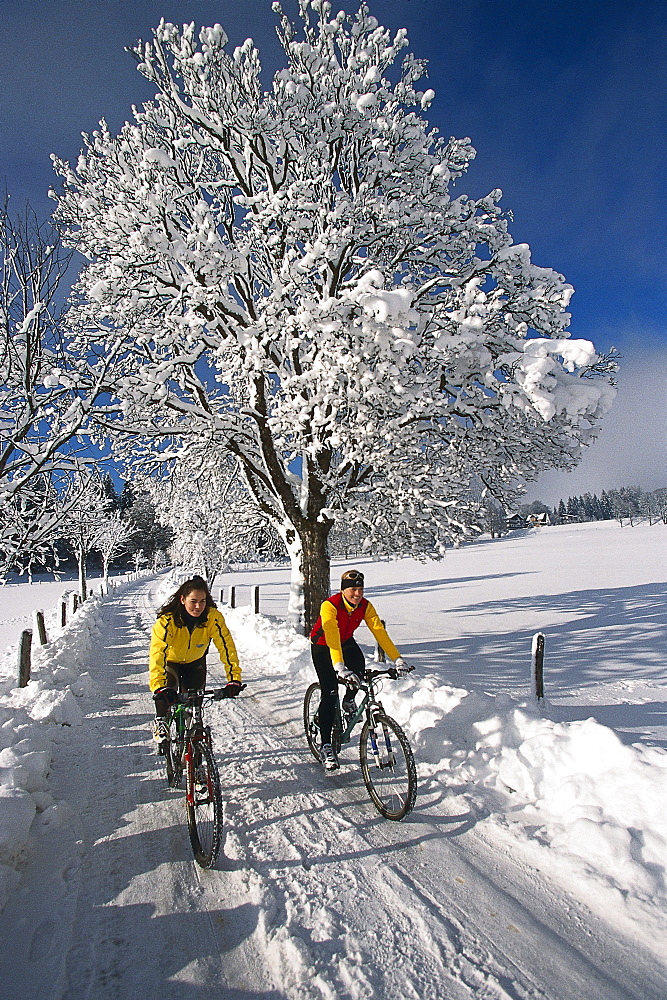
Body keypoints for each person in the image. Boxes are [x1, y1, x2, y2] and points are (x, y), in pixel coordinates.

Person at [310, 568, 408, 771]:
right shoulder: (330, 606)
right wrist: (339, 666)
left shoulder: (365, 606)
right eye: (353, 590)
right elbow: (332, 634)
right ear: (343, 590)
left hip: (345, 641)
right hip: (323, 645)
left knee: (359, 670)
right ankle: (326, 744)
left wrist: (397, 659)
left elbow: (379, 632)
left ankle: (348, 701)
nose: (357, 594)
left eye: (360, 589)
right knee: (330, 692)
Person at [148, 575, 242, 750]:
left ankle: (194, 754)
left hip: (195, 663)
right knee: (166, 692)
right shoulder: (167, 621)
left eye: (202, 601)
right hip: (171, 662)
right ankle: (161, 720)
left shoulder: (212, 618)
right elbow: (157, 653)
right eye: (193, 601)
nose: (198, 606)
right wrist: (159, 687)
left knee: (195, 706)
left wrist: (234, 679)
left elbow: (227, 647)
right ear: (182, 599)